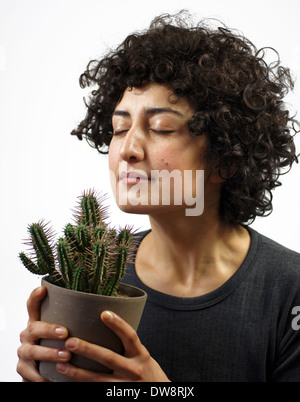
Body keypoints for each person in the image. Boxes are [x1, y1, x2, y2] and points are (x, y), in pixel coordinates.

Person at [17, 11, 300, 382]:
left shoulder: (288, 289)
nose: (127, 149)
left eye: (161, 127)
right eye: (119, 128)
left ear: (226, 160)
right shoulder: (90, 276)